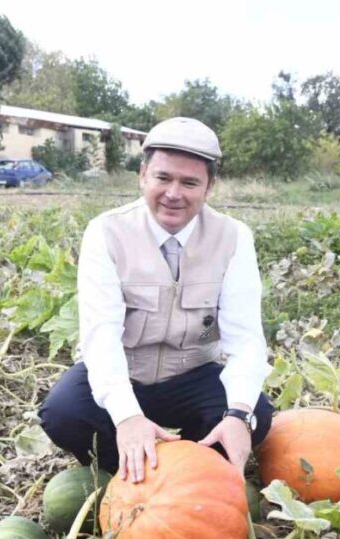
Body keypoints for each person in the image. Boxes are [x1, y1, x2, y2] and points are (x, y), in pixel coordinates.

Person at [39, 117, 273, 484]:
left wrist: (239, 415)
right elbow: (100, 337)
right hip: (127, 371)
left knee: (256, 412)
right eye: (163, 178)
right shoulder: (107, 232)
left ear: (209, 187)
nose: (173, 194)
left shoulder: (234, 237)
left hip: (192, 374)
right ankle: (140, 469)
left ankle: (190, 469)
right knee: (64, 411)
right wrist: (127, 416)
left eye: (190, 182)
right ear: (142, 175)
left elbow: (246, 339)